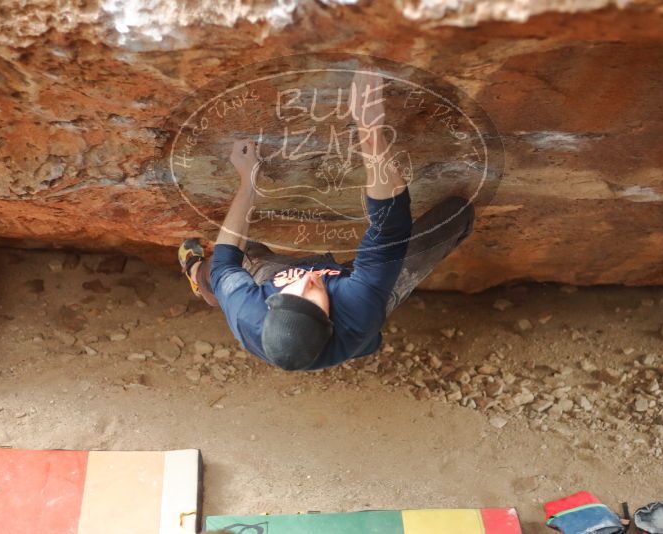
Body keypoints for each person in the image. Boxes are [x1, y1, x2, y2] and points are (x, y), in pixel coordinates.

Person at [178, 70, 474, 371]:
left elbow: (227, 260)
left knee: (228, 265)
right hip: (358, 304)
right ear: (329, 320)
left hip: (273, 280)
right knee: (456, 215)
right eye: (313, 296)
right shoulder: (357, 309)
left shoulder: (246, 310)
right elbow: (390, 224)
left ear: (271, 306)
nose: (308, 279)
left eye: (296, 294)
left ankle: (199, 277)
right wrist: (370, 133)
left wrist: (249, 181)